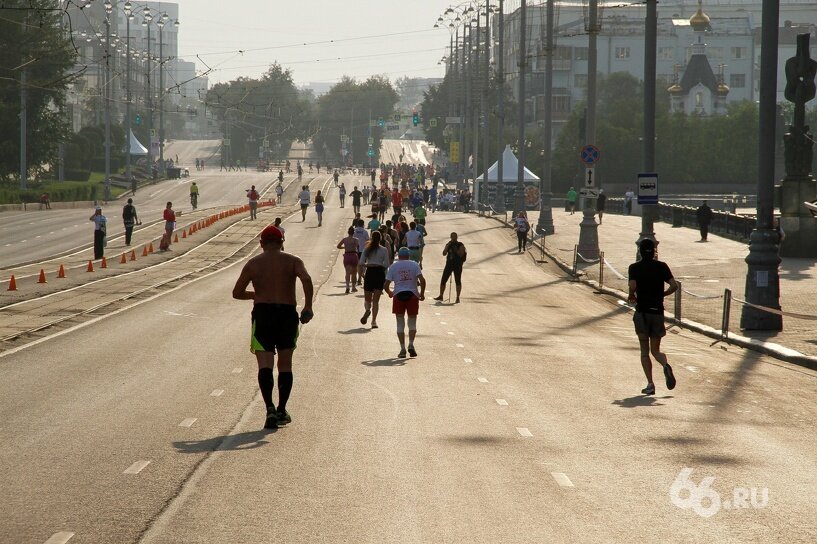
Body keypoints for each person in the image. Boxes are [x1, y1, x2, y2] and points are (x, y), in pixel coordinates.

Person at [232, 225, 314, 429]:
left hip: (263, 315)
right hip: (286, 314)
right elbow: (306, 278)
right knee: (285, 364)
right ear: (282, 242)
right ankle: (281, 409)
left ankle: (269, 408)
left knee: (265, 364)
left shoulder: (253, 263)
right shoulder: (293, 261)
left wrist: (257, 294)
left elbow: (237, 292)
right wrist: (308, 306)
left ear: (261, 244)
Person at [627, 238, 678, 396]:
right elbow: (674, 285)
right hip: (657, 312)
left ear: (640, 251)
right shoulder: (662, 266)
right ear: (655, 251)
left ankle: (650, 384)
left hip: (642, 312)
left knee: (644, 351)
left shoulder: (634, 267)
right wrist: (662, 294)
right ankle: (665, 365)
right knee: (656, 351)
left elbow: (633, 286)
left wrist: (631, 295)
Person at [384, 247, 426, 358]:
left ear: (399, 256)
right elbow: (422, 280)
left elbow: (386, 285)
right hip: (412, 295)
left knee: (400, 322)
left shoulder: (393, 267)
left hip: (398, 295)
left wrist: (390, 292)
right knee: (412, 322)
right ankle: (411, 344)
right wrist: (422, 294)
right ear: (408, 255)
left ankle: (402, 348)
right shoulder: (414, 264)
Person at [361, 231, 391, 329]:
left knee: (367, 298)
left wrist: (367, 265)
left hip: (370, 272)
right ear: (380, 238)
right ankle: (374, 321)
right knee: (376, 301)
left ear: (371, 238)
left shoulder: (367, 249)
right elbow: (386, 264)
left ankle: (367, 310)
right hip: (379, 272)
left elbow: (361, 262)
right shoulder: (384, 250)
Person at [433, 232, 466, 303]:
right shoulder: (449, 244)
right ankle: (441, 295)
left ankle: (458, 297)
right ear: (450, 237)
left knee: (458, 280)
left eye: (455, 237)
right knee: (443, 280)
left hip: (457, 265)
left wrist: (456, 250)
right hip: (449, 264)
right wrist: (448, 246)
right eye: (452, 237)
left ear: (457, 237)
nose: (454, 238)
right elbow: (444, 253)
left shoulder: (460, 245)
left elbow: (461, 254)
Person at [337, 227, 360, 293]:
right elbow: (357, 248)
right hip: (353, 255)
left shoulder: (345, 239)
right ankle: (353, 287)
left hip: (347, 255)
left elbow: (338, 246)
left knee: (347, 272)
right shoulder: (356, 240)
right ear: (354, 233)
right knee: (354, 272)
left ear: (348, 232)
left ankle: (347, 286)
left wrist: (344, 247)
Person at [353, 219, 370, 286]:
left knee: (358, 265)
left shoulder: (354, 230)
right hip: (363, 250)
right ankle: (361, 276)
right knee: (363, 265)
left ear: (357, 224)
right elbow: (368, 240)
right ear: (363, 224)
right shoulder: (365, 231)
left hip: (356, 250)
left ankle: (360, 277)